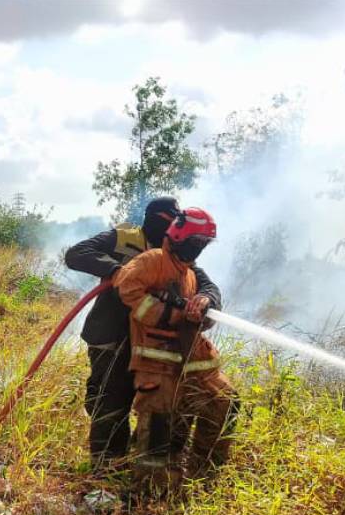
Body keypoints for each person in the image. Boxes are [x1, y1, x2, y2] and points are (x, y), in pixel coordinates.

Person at [64, 197, 222, 473]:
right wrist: (119, 270)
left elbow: (208, 287)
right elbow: (77, 254)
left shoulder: (176, 256)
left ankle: (141, 457)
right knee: (110, 400)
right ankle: (106, 469)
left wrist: (206, 299)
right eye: (164, 221)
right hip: (111, 335)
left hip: (152, 344)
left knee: (155, 402)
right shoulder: (124, 238)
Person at [113, 207, 238, 492]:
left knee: (225, 403)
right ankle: (148, 491)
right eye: (196, 241)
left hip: (194, 362)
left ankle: (202, 478)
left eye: (203, 244)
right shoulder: (153, 260)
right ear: (178, 234)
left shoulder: (190, 273)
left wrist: (202, 307)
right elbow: (126, 287)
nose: (198, 248)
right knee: (158, 428)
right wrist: (171, 313)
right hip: (157, 364)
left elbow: (206, 310)